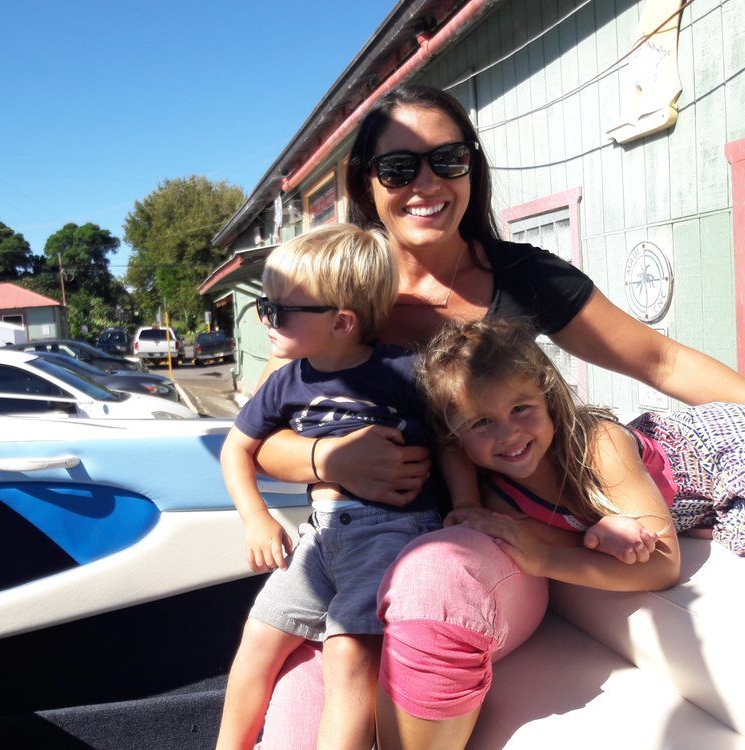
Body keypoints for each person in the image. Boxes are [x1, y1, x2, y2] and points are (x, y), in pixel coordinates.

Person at [249, 83, 745, 750]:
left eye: (448, 159)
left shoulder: (522, 276)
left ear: (472, 168)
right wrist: (331, 459)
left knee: (436, 577)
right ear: (367, 183)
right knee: (297, 709)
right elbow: (262, 436)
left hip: (489, 537)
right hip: (361, 543)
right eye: (399, 167)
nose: (427, 183)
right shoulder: (338, 292)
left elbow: (661, 360)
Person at [216, 224, 477, 750]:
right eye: (265, 306)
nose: (266, 320)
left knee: (349, 653)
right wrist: (256, 518)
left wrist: (467, 504)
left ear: (341, 322)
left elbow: (449, 442)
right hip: (318, 537)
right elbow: (235, 449)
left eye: (279, 311)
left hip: (393, 532)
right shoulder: (285, 382)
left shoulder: (404, 372)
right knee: (258, 639)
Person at [416, 318, 744, 574]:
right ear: (456, 438)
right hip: (702, 503)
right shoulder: (503, 501)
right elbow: (576, 545)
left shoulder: (601, 446)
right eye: (481, 422)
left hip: (715, 447)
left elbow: (663, 566)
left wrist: (544, 560)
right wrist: (597, 538)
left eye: (520, 409)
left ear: (549, 401)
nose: (508, 433)